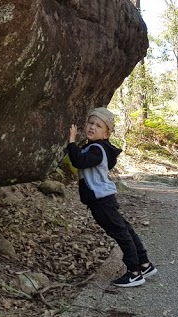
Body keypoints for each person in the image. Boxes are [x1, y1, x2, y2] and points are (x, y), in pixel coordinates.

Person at [66, 107, 156, 288]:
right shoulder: (98, 148)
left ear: (107, 134)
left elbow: (78, 161)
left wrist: (71, 141)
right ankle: (145, 264)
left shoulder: (97, 149)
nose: (92, 127)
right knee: (125, 229)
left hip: (101, 201)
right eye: (90, 123)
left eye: (98, 126)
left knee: (121, 233)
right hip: (104, 198)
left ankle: (134, 272)